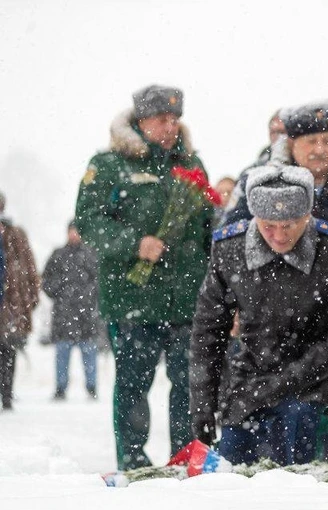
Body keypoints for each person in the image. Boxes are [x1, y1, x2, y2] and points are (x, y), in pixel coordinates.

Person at [75, 84, 214, 469]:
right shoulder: (109, 165)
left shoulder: (191, 165)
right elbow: (89, 221)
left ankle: (185, 455)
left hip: (187, 297)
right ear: (140, 121)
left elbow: (206, 228)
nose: (169, 126)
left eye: (174, 119)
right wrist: (134, 244)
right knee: (134, 383)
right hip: (133, 298)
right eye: (160, 119)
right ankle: (133, 458)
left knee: (188, 383)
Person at [190, 165, 328, 464]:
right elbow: (209, 331)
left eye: (290, 224)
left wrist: (289, 379)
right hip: (251, 377)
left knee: (297, 464)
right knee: (233, 470)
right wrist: (203, 409)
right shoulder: (230, 250)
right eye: (268, 225)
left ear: (308, 215)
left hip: (316, 379)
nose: (279, 235)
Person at [224, 101, 328, 234]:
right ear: (292, 144)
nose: (320, 150)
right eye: (311, 141)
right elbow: (231, 241)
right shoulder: (259, 182)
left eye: (327, 141)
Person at [41, 221, 100, 400]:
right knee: (62, 354)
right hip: (63, 314)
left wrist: (89, 296)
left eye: (77, 232)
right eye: (71, 231)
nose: (74, 235)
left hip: (86, 315)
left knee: (89, 353)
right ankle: (61, 388)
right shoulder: (58, 255)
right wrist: (59, 291)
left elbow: (100, 281)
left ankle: (92, 387)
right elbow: (46, 281)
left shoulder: (91, 255)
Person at [0, 208, 39, 411]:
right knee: (7, 351)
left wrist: (31, 297)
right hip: (12, 303)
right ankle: (5, 393)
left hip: (12, 304)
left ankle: (6, 394)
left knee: (8, 350)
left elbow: (29, 268)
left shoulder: (16, 237)